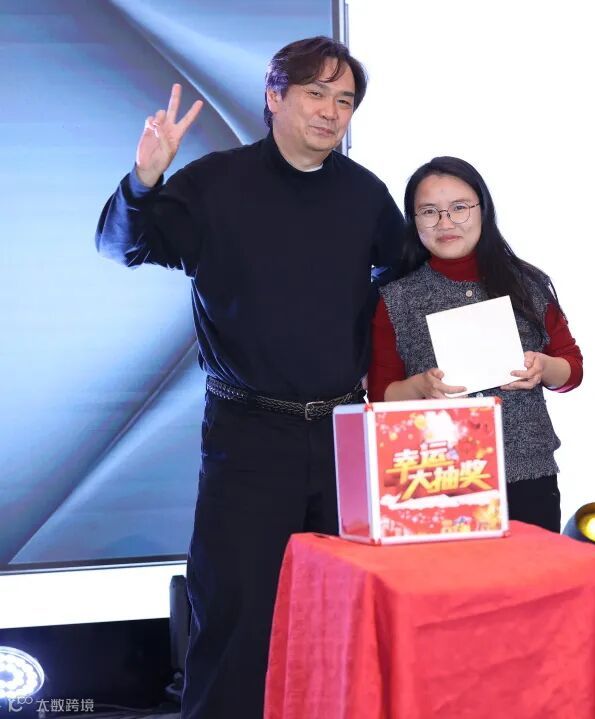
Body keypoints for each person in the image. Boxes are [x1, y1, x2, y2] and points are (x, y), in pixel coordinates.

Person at [95, 37, 404, 719]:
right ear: (275, 96)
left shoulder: (364, 194)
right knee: (235, 616)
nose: (331, 112)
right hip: (247, 435)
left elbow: (404, 277)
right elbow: (123, 245)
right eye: (316, 93)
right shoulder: (215, 184)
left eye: (344, 100)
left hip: (343, 434)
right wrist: (144, 180)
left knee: (347, 611)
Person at [367, 156, 583, 532]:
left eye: (459, 208)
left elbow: (572, 368)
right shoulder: (395, 299)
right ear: (413, 221)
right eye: (429, 212)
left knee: (530, 570)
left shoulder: (527, 284)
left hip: (528, 474)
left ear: (483, 209)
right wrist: (420, 386)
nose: (445, 222)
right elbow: (381, 396)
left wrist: (543, 367)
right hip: (437, 479)